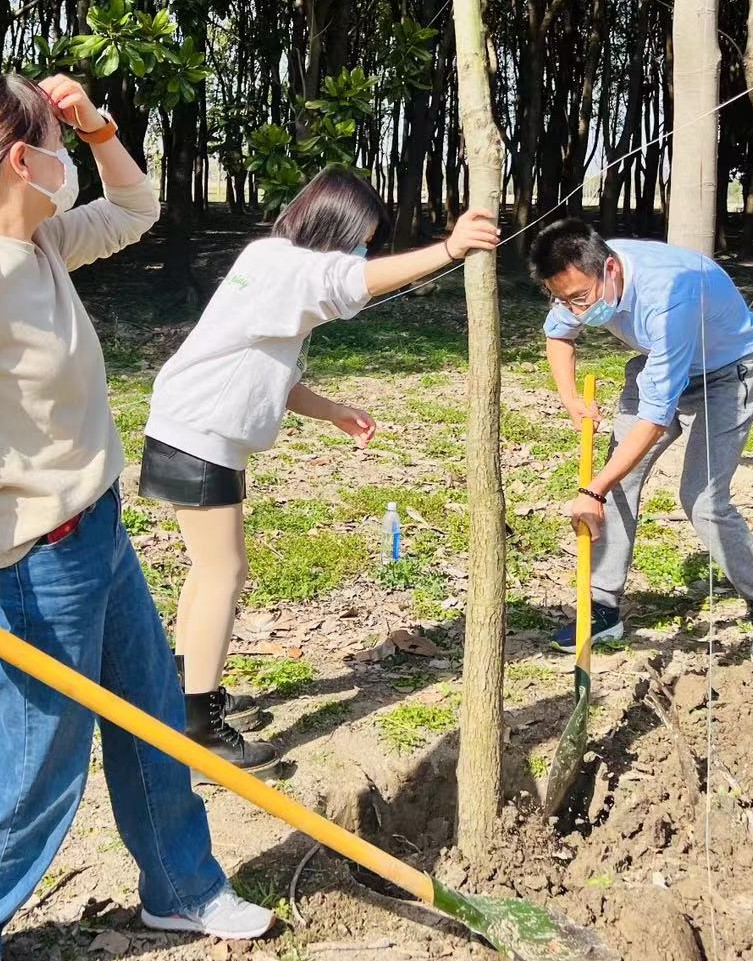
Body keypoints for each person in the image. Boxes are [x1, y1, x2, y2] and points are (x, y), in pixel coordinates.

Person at [0, 73, 272, 961]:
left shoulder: (36, 244)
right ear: (24, 161)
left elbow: (136, 208)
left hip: (99, 536)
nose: (71, 158)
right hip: (36, 567)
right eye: (59, 144)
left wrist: (99, 126)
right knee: (35, 776)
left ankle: (181, 890)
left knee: (150, 723)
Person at [139, 167, 500, 778]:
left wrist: (332, 411)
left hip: (194, 429)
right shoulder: (292, 267)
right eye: (364, 238)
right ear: (338, 226)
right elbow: (350, 279)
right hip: (197, 435)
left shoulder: (274, 262)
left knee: (211, 570)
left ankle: (187, 692)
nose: (366, 251)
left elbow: (261, 368)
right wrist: (449, 249)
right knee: (224, 571)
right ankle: (197, 729)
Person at [528, 219, 753, 664]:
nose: (575, 310)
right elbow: (559, 335)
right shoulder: (579, 273)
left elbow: (654, 418)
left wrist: (591, 490)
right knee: (616, 482)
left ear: (610, 269)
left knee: (703, 500)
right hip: (659, 364)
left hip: (726, 376)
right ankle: (604, 608)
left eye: (580, 299)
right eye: (563, 300)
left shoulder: (670, 294)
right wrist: (572, 399)